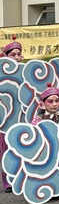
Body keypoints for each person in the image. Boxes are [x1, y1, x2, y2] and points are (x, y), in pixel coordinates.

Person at [1, 36, 23, 193]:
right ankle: (8, 181)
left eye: (18, 54)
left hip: (22, 116)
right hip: (4, 119)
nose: (16, 57)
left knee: (22, 147)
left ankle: (22, 178)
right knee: (5, 148)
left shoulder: (26, 72)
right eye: (12, 54)